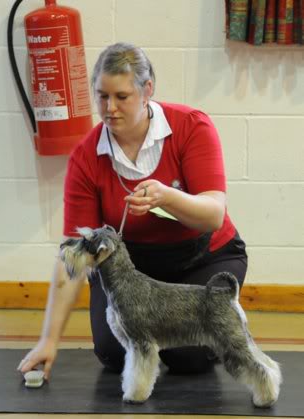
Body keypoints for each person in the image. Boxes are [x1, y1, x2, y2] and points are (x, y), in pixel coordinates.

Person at [17, 42, 248, 379]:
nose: (109, 108)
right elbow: (72, 255)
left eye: (121, 97)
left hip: (205, 258)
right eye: (102, 96)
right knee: (114, 351)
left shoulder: (191, 126)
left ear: (147, 90)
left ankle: (228, 323)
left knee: (189, 358)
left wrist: (167, 197)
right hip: (132, 270)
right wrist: (48, 341)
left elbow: (213, 214)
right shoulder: (86, 156)